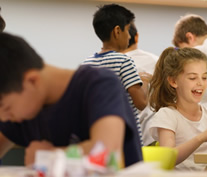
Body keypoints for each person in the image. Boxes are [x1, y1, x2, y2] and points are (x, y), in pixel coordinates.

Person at [0, 32, 142, 167]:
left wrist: (48, 155)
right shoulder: (22, 109)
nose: (3, 117)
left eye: (6, 107)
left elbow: (107, 154)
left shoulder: (98, 84)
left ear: (32, 81)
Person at [148, 47, 207, 171]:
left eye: (204, 77)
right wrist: (201, 137)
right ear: (173, 81)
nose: (200, 83)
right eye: (192, 78)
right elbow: (167, 159)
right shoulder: (167, 115)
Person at [82, 4, 149, 146]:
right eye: (127, 30)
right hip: (126, 137)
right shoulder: (124, 61)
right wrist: (145, 82)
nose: (130, 36)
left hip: (97, 135)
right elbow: (141, 103)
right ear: (117, 31)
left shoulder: (86, 64)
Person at [123, 22, 158, 145]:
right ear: (136, 36)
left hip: (130, 137)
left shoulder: (115, 65)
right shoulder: (156, 60)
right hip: (158, 134)